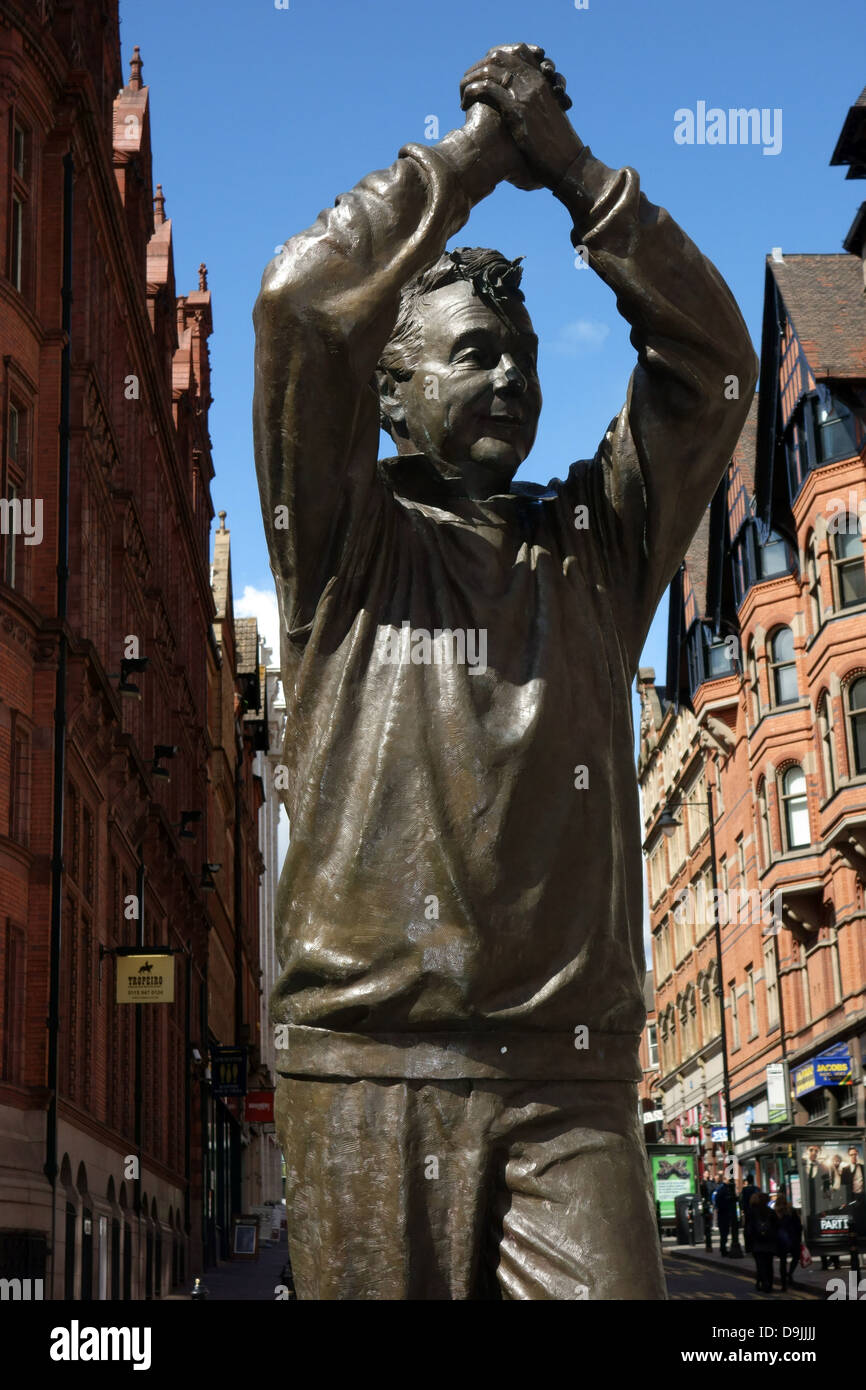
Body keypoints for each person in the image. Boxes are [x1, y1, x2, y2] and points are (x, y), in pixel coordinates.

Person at [254, 41, 757, 1300]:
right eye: (473, 351)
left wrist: (581, 176)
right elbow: (300, 307)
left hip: (566, 1079)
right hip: (369, 1069)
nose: (509, 377)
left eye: (523, 356)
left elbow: (714, 374)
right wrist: (480, 153)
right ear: (389, 389)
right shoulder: (338, 543)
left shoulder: (593, 549)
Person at [747, 1190, 779, 1293]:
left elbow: (749, 1229)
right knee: (769, 1264)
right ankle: (769, 1284)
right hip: (769, 1242)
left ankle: (763, 1282)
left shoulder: (752, 1212)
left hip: (757, 1242)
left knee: (760, 1264)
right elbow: (777, 1226)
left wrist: (749, 1244)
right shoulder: (771, 1212)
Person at [773, 1194, 802, 1292]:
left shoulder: (775, 1213)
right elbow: (798, 1226)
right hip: (792, 1239)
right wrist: (799, 1238)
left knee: (783, 1261)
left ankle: (783, 1284)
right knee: (796, 1257)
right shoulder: (791, 1211)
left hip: (780, 1241)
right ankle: (790, 1273)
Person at [739, 1173, 758, 1252]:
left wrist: (742, 1209)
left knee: (747, 1229)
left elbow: (741, 1201)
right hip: (756, 1213)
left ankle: (748, 1247)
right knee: (756, 1229)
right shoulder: (756, 1189)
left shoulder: (744, 1190)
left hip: (748, 1212)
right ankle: (755, 1245)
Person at [715, 1179, 734, 1256]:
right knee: (724, 1233)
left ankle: (723, 1248)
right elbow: (721, 1201)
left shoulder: (723, 1189)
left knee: (724, 1233)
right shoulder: (723, 1189)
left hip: (723, 1214)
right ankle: (723, 1249)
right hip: (723, 1214)